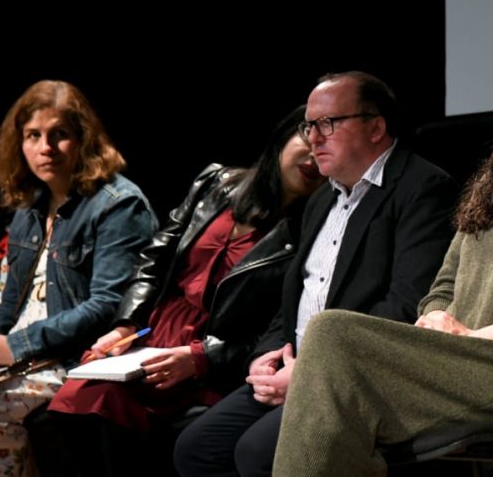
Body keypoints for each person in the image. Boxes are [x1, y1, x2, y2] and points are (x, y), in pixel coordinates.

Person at [268, 40, 493, 477]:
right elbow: (443, 284)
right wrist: (435, 318)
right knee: (336, 391)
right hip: (456, 359)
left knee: (331, 333)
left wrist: (476, 337)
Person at [174, 71, 457, 477]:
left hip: (358, 376)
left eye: (328, 123)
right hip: (295, 367)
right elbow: (294, 297)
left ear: (376, 128)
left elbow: (407, 305)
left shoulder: (423, 188)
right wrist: (266, 356)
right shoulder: (321, 199)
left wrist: (311, 371)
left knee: (257, 453)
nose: (313, 139)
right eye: (309, 126)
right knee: (197, 449)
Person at [39, 105, 326, 476]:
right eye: (306, 136)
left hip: (212, 353)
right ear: (284, 136)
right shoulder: (217, 182)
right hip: (152, 334)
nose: (313, 156)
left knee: (140, 430)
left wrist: (201, 357)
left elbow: (277, 327)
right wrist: (125, 325)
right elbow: (154, 260)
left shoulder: (312, 230)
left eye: (324, 148)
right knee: (76, 402)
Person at [0, 80, 157, 476]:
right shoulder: (31, 204)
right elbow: (10, 302)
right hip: (24, 355)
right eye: (33, 135)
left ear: (83, 139)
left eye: (59, 134)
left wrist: (15, 346)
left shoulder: (118, 205)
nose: (46, 147)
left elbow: (107, 306)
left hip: (73, 357)